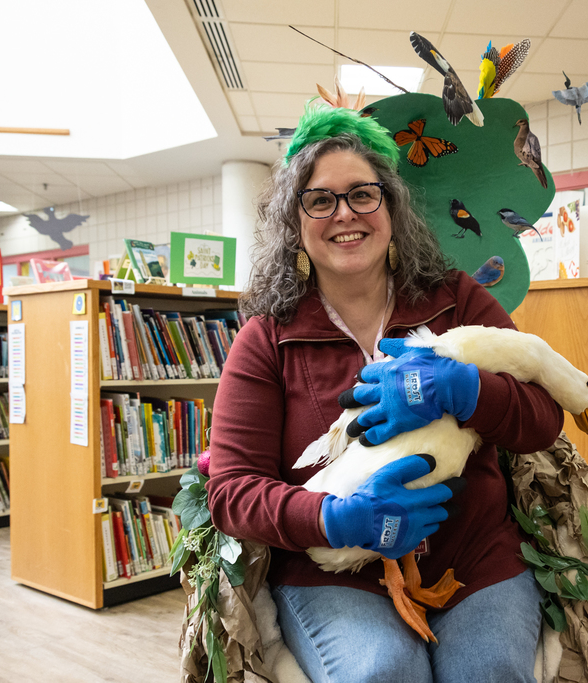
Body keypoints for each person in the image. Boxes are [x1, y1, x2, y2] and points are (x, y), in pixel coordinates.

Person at [205, 106, 564, 683]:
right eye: (319, 200)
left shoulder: (457, 300)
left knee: (490, 671)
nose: (344, 214)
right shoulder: (266, 340)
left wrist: (468, 390)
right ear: (294, 222)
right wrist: (336, 519)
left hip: (474, 556)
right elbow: (230, 491)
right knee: (382, 672)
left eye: (362, 194)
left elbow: (544, 418)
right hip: (333, 572)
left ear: (391, 207)